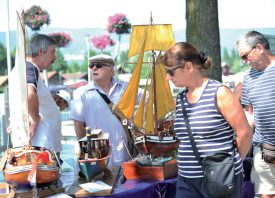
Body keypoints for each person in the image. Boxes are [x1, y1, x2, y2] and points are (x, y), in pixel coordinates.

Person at [161, 42, 252, 198]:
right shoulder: (180, 99)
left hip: (221, 179)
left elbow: (244, 133)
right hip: (186, 181)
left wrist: (231, 164)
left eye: (170, 71)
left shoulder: (220, 93)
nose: (168, 77)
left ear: (188, 67)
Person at [71, 54, 142, 166]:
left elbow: (149, 99)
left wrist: (139, 122)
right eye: (91, 65)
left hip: (125, 154)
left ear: (111, 70)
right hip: (98, 156)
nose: (94, 68)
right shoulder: (81, 93)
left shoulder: (126, 89)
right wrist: (87, 153)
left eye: (98, 65)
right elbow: (78, 125)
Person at [236, 30, 275, 198]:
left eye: (245, 56)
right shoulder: (247, 78)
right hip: (264, 149)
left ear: (259, 48)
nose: (245, 62)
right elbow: (249, 114)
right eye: (242, 58)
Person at [11, 34, 62, 154]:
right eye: (52, 52)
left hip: (38, 145)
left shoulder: (24, 68)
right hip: (40, 146)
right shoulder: (30, 68)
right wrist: (34, 120)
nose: (54, 56)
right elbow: (29, 94)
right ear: (40, 51)